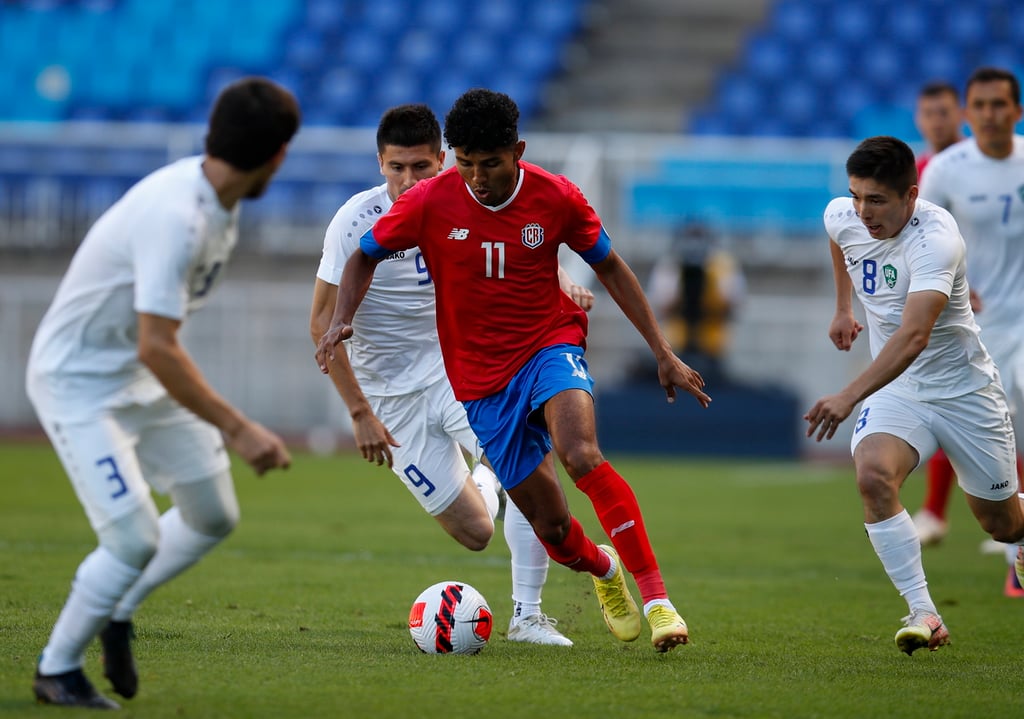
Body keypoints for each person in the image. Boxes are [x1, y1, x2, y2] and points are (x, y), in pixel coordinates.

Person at [316, 89, 710, 653]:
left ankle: (658, 602)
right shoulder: (428, 200)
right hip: (478, 380)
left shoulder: (557, 197)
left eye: (491, 163)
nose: (477, 177)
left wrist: (663, 352)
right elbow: (363, 256)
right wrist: (343, 320)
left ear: (518, 150)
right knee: (551, 528)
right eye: (466, 163)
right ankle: (604, 570)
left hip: (549, 345)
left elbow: (614, 268)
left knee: (580, 453)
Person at [26, 77, 299, 708]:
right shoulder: (178, 215)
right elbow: (157, 343)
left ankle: (116, 608)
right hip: (79, 383)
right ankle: (57, 670)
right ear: (278, 155)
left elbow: (153, 347)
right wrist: (239, 427)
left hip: (136, 374)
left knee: (212, 515)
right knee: (133, 540)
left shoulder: (215, 201)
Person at [309, 103, 591, 646]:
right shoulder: (354, 222)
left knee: (533, 473)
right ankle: (486, 478)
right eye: (397, 168)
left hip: (458, 371)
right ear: (380, 165)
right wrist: (359, 413)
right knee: (475, 532)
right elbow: (320, 323)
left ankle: (527, 616)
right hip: (389, 400)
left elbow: (518, 246)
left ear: (442, 160)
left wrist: (559, 281)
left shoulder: (467, 198)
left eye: (420, 167)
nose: (408, 180)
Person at [805, 135, 1024, 655]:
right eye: (856, 196)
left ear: (910, 194)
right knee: (873, 476)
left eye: (876, 200)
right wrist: (843, 307)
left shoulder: (937, 239)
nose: (862, 212)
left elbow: (914, 335)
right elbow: (839, 235)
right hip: (899, 390)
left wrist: (848, 395)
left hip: (965, 393)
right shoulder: (844, 215)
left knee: (1000, 522)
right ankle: (923, 611)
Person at [916, 67, 1024, 596]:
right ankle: (1016, 555)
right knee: (1001, 445)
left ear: (1017, 111)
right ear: (968, 112)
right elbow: (917, 234)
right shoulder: (946, 170)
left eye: (999, 105)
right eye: (979, 105)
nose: (989, 114)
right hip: (977, 330)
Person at [908, 80, 966, 548]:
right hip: (939, 304)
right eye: (929, 113)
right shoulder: (917, 172)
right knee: (941, 404)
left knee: (1007, 412)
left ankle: (1012, 518)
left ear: (959, 113)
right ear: (918, 119)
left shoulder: (982, 168)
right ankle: (934, 512)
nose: (937, 120)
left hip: (994, 303)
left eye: (945, 112)